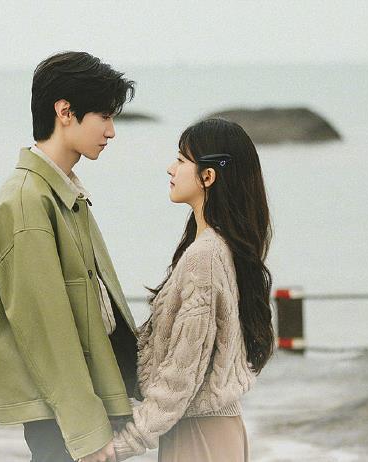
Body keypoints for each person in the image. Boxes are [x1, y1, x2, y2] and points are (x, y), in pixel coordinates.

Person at [0, 51, 140, 462]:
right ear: (65, 111)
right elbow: (46, 332)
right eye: (104, 116)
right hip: (63, 423)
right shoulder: (27, 202)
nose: (111, 131)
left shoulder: (63, 193)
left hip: (82, 408)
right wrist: (87, 432)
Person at [111, 118, 277, 462]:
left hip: (199, 435)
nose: (171, 168)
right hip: (212, 431)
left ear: (208, 176)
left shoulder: (205, 256)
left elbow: (181, 375)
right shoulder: (220, 247)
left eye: (181, 160)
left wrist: (123, 443)